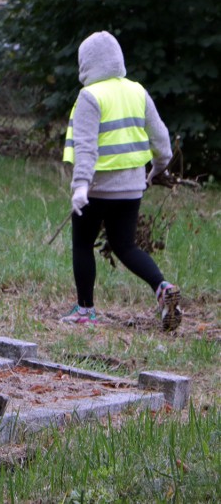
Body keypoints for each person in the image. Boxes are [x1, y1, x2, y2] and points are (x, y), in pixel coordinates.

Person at [61, 30, 181, 331]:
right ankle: (162, 287)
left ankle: (85, 311)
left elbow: (86, 148)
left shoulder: (90, 96)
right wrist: (158, 168)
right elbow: (162, 139)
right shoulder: (137, 91)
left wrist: (79, 187)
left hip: (96, 188)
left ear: (85, 63)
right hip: (131, 188)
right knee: (125, 246)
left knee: (82, 244)